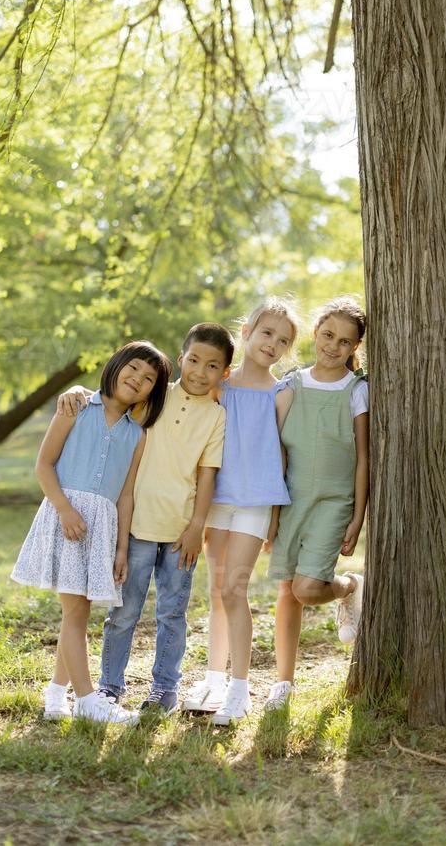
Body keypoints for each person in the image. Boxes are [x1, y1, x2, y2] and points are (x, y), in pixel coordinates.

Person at [57, 323, 234, 717]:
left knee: (172, 611)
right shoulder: (154, 397)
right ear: (182, 357)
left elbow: (207, 475)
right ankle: (109, 688)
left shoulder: (216, 417)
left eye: (211, 366)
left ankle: (164, 689)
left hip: (179, 532)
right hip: (135, 526)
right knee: (124, 612)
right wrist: (76, 391)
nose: (199, 372)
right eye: (193, 361)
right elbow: (111, 401)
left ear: (223, 373)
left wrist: (196, 527)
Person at [11, 341, 172, 724]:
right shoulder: (77, 406)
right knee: (76, 613)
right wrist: (65, 509)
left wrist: (120, 549)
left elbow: (127, 493)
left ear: (154, 391)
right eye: (133, 368)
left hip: (101, 527)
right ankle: (86, 701)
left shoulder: (138, 435)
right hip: (67, 519)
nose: (138, 379)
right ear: (115, 365)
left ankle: (55, 695)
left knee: (77, 613)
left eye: (149, 379)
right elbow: (44, 465)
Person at [182, 298, 299, 724]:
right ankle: (213, 678)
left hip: (255, 500)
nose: (274, 343)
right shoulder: (220, 386)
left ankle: (240, 689)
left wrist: (276, 515)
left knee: (235, 588)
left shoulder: (283, 391)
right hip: (216, 499)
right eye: (267, 333)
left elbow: (284, 452)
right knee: (215, 589)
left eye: (283, 340)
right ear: (247, 333)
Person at [264, 297, 369, 711]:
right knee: (288, 591)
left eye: (344, 341)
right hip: (292, 501)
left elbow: (363, 459)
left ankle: (350, 586)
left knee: (308, 589)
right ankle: (283, 683)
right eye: (328, 335)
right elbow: (277, 455)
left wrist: (358, 517)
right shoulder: (290, 385)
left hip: (333, 501)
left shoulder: (357, 391)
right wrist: (272, 516)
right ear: (315, 333)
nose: (333, 346)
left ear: (354, 347)